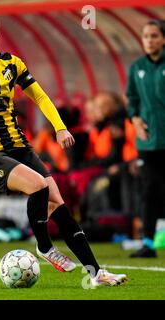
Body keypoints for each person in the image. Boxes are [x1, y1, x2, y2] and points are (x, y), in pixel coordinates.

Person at [0, 14, 126, 286]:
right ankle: (45, 246)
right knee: (39, 186)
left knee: (58, 205)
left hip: (20, 147)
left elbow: (39, 95)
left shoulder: (12, 65)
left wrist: (60, 127)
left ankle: (96, 273)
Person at [126, 19, 165, 258]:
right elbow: (132, 99)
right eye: (146, 36)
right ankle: (148, 243)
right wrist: (135, 119)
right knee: (149, 191)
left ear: (163, 39)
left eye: (154, 36)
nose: (149, 41)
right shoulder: (136, 67)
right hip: (148, 143)